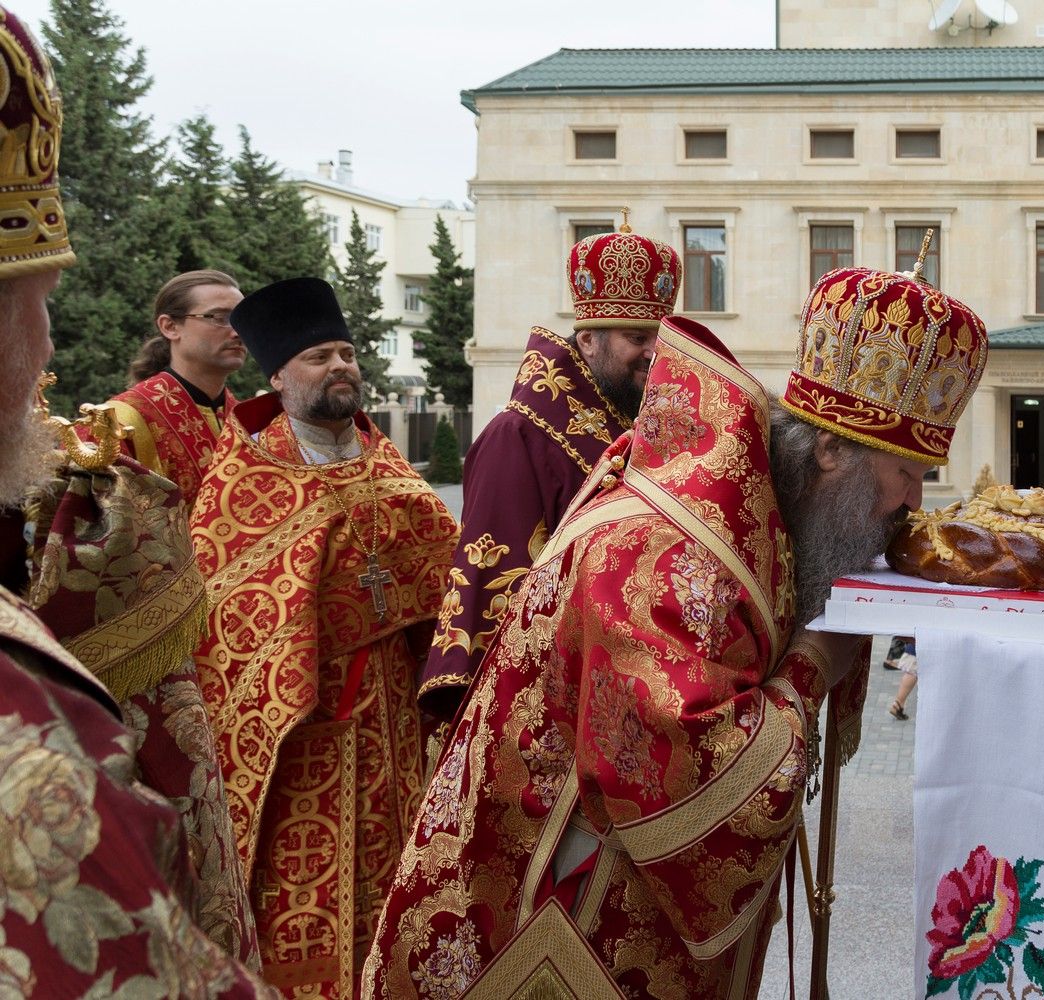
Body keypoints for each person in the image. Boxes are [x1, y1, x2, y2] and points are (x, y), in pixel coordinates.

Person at [363, 263, 989, 998]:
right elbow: (680, 774)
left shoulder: (758, 518)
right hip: (552, 920)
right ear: (829, 452)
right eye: (907, 472)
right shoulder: (665, 549)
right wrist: (819, 659)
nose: (914, 501)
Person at [0, 10, 272, 994]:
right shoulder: (120, 434)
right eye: (37, 301)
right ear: (170, 328)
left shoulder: (244, 418)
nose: (48, 345)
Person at [191, 277, 458, 997]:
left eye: (346, 353)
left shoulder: (392, 468)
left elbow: (449, 583)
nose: (340, 366)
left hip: (397, 728)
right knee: (299, 903)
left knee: (400, 896)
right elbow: (229, 617)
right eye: (318, 356)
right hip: (303, 738)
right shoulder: (244, 477)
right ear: (278, 376)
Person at [419, 219, 680, 722]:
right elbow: (495, 588)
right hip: (547, 700)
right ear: (586, 342)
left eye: (661, 338)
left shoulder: (641, 421)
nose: (654, 353)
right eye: (636, 337)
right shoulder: (515, 436)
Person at [100, 269, 246, 504]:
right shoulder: (121, 420)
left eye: (243, 320)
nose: (238, 332)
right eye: (219, 318)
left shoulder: (248, 423)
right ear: (170, 326)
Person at [887, 636, 917, 720]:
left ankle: (898, 704)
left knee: (911, 672)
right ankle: (898, 704)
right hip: (920, 644)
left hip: (916, 643)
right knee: (912, 672)